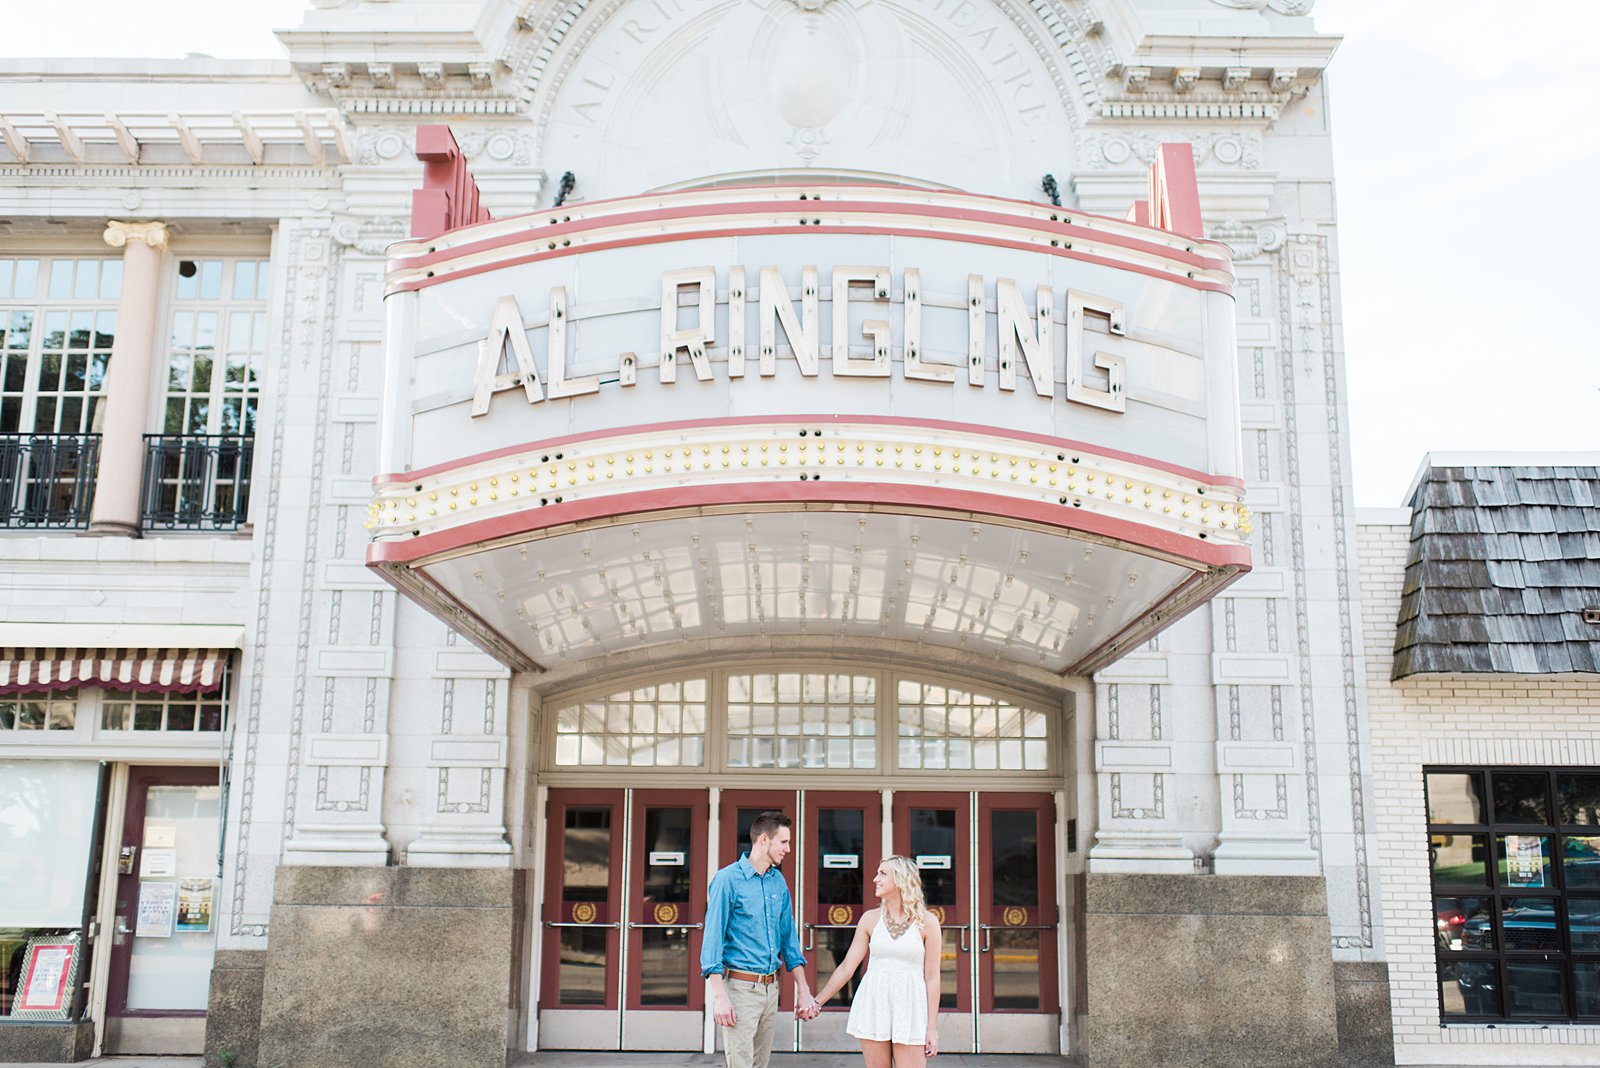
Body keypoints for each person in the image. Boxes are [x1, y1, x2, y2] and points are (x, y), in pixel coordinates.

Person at [701, 810, 821, 1068]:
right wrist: (719, 996)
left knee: (759, 1064)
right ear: (764, 839)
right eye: (784, 842)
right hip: (740, 989)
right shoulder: (727, 880)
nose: (788, 849)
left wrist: (804, 991)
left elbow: (789, 941)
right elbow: (712, 939)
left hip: (770, 989)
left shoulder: (778, 882)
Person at [812, 855, 941, 1065]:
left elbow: (932, 978)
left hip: (910, 1006)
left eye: (882, 874)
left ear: (900, 880)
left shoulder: (927, 922)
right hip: (874, 1003)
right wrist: (817, 1002)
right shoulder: (870, 919)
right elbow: (847, 967)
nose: (875, 879)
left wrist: (931, 1028)